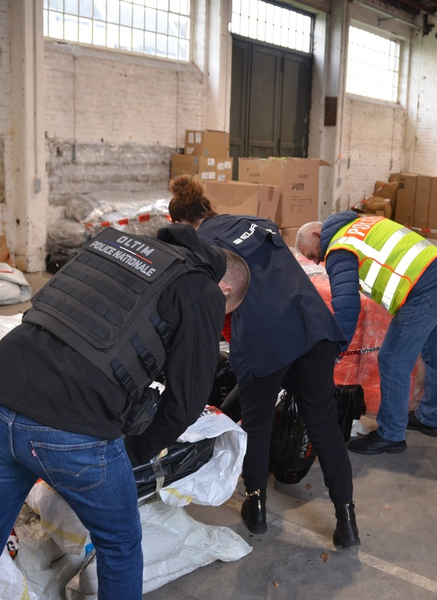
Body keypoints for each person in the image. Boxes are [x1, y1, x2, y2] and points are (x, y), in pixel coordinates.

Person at [0, 223, 249, 600]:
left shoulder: (120, 246)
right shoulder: (201, 289)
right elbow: (186, 402)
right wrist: (129, 454)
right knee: (120, 545)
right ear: (224, 290)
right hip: (73, 429)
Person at [168, 175, 360, 549]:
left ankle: (255, 510)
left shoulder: (201, 248)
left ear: (181, 221)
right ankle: (347, 521)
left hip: (265, 339)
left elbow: (219, 310)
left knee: (256, 427)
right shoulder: (256, 223)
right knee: (324, 426)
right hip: (312, 325)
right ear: (207, 208)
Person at [296, 212, 437, 455]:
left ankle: (391, 435)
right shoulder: (363, 222)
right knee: (436, 356)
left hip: (423, 291)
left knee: (393, 360)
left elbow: (347, 308)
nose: (317, 261)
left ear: (317, 235)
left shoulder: (340, 247)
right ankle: (429, 419)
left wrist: (335, 349)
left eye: (313, 254)